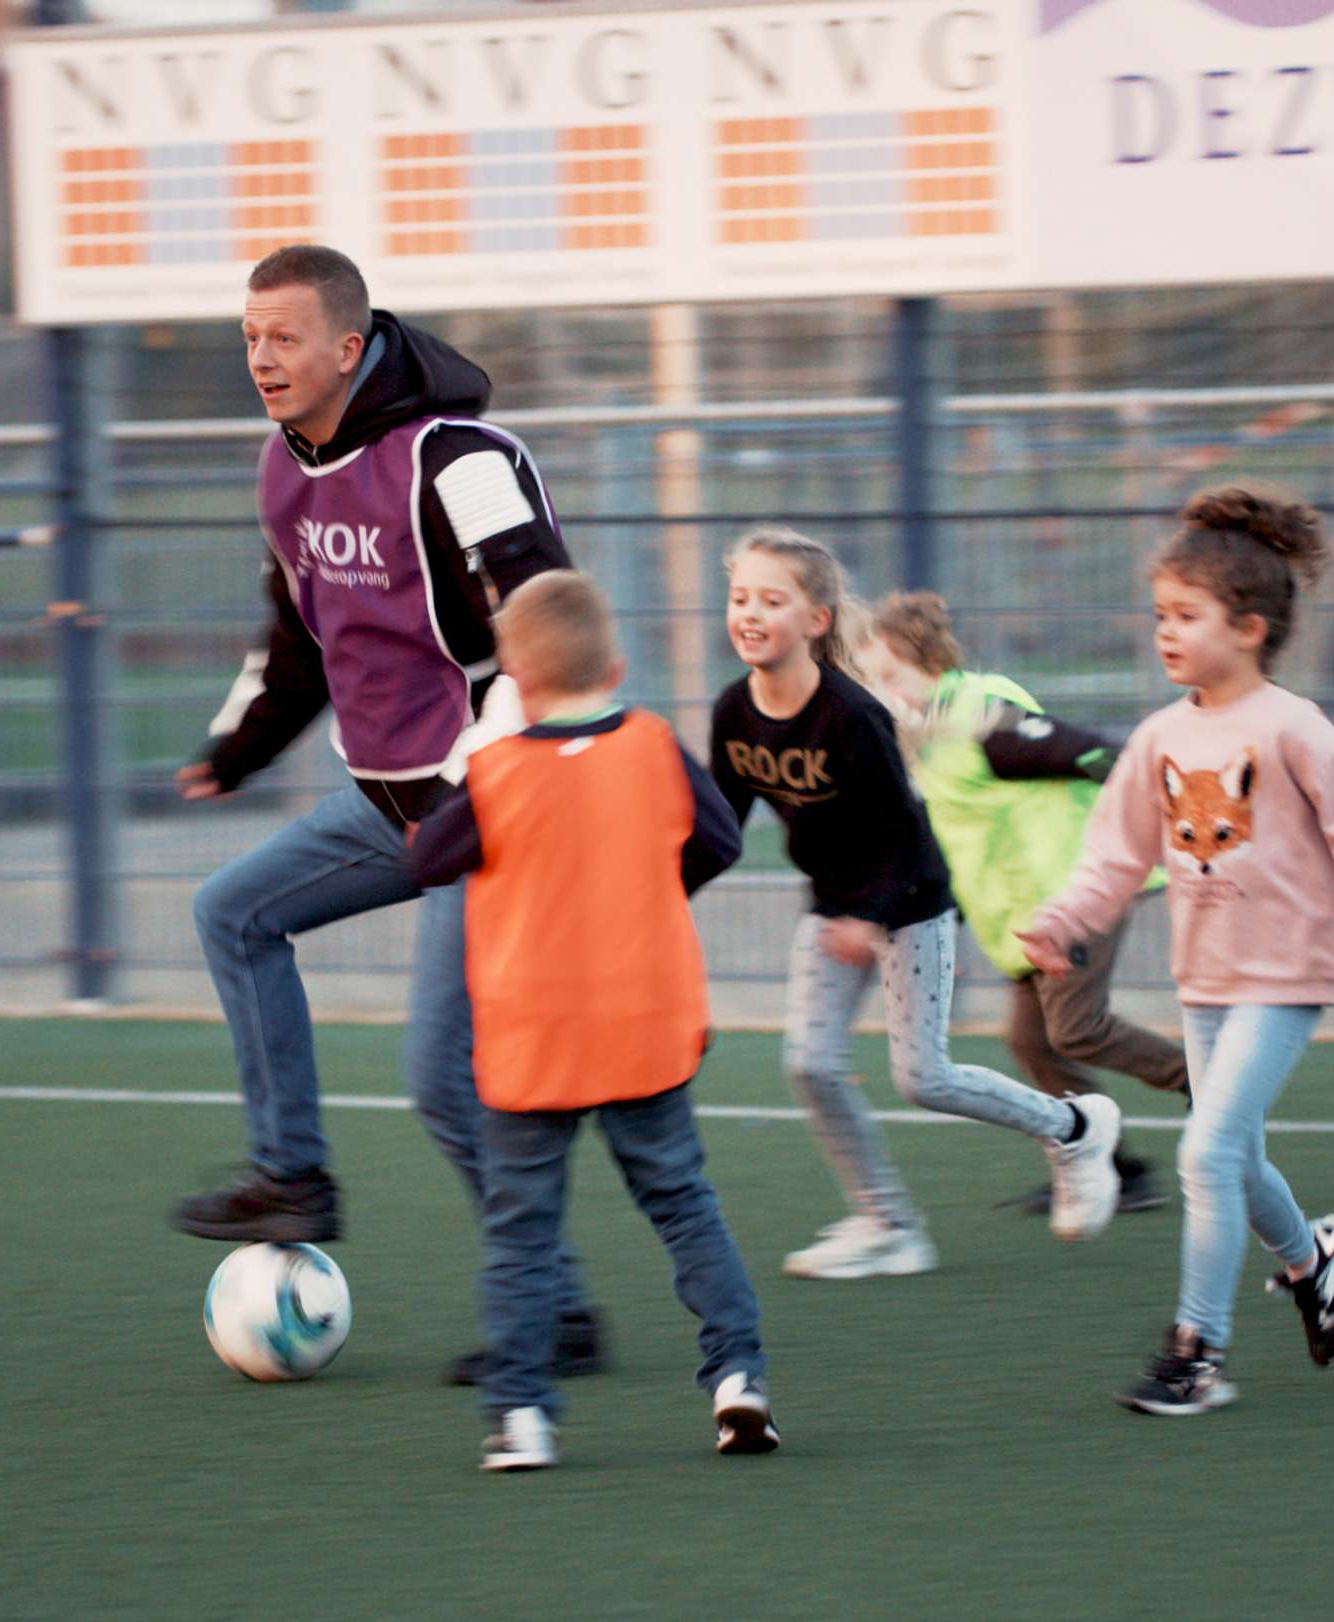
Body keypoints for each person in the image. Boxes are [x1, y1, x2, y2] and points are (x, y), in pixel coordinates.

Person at [167, 243, 603, 1376]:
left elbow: (545, 640)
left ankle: (556, 1311)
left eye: (285, 336)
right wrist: (236, 749)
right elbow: (297, 641)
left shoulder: (459, 461)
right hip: (388, 804)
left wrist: (479, 788)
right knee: (233, 913)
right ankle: (292, 1177)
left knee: (444, 1076)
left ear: (348, 347)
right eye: (250, 337)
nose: (262, 357)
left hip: (490, 809)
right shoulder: (282, 470)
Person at [1020, 485, 1334, 1416]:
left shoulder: (1292, 726)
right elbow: (1114, 859)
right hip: (1207, 984)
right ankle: (1312, 1261)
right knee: (1236, 1156)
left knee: (1207, 1151)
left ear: (1250, 628)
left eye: (1186, 615)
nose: (1165, 631)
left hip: (1287, 980)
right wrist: (1063, 921)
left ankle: (1197, 1349)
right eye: (1160, 614)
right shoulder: (1160, 736)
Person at [411, 572, 774, 1469]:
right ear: (614, 667)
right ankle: (738, 1376)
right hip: (645, 1024)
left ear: (515, 681)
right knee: (684, 1204)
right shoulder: (654, 745)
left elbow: (428, 858)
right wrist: (647, 888)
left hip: (534, 1039)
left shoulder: (494, 772)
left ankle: (522, 1414)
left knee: (522, 1233)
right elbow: (721, 839)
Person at [709, 525, 1123, 1279]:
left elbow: (902, 838)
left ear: (816, 620)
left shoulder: (851, 715)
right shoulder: (734, 712)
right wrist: (658, 885)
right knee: (810, 1064)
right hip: (835, 907)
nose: (751, 613)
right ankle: (889, 1226)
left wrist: (867, 916)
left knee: (923, 1077)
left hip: (911, 903)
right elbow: (718, 827)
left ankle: (1073, 1128)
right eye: (740, 598)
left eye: (772, 600)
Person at [853, 590, 1187, 1217]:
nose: (881, 694)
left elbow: (1092, 752)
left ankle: (1206, 1082)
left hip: (1074, 894)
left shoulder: (978, 718)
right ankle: (1117, 1170)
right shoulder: (924, 742)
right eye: (871, 683)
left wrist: (1170, 811)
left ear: (929, 665)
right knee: (1032, 1042)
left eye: (889, 677)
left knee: (1076, 1028)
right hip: (1025, 918)